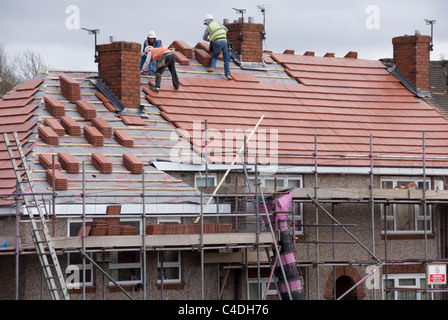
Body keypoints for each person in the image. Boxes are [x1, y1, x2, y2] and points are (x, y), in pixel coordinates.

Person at [202, 14, 232, 80]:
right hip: (225, 41)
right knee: (226, 59)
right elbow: (226, 30)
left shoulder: (208, 27)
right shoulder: (219, 24)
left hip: (217, 42)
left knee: (215, 56)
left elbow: (204, 38)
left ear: (207, 21)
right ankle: (228, 75)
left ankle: (212, 67)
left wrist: (209, 39)